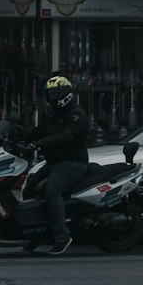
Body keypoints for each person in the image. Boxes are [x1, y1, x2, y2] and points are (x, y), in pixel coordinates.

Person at [28, 74, 89, 255]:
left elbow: (66, 136)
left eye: (57, 93)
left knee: (52, 191)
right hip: (54, 162)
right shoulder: (54, 114)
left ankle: (62, 237)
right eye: (50, 93)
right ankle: (37, 233)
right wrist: (17, 134)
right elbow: (39, 131)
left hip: (73, 162)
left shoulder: (76, 114)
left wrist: (39, 143)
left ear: (66, 93)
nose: (53, 97)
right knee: (29, 189)